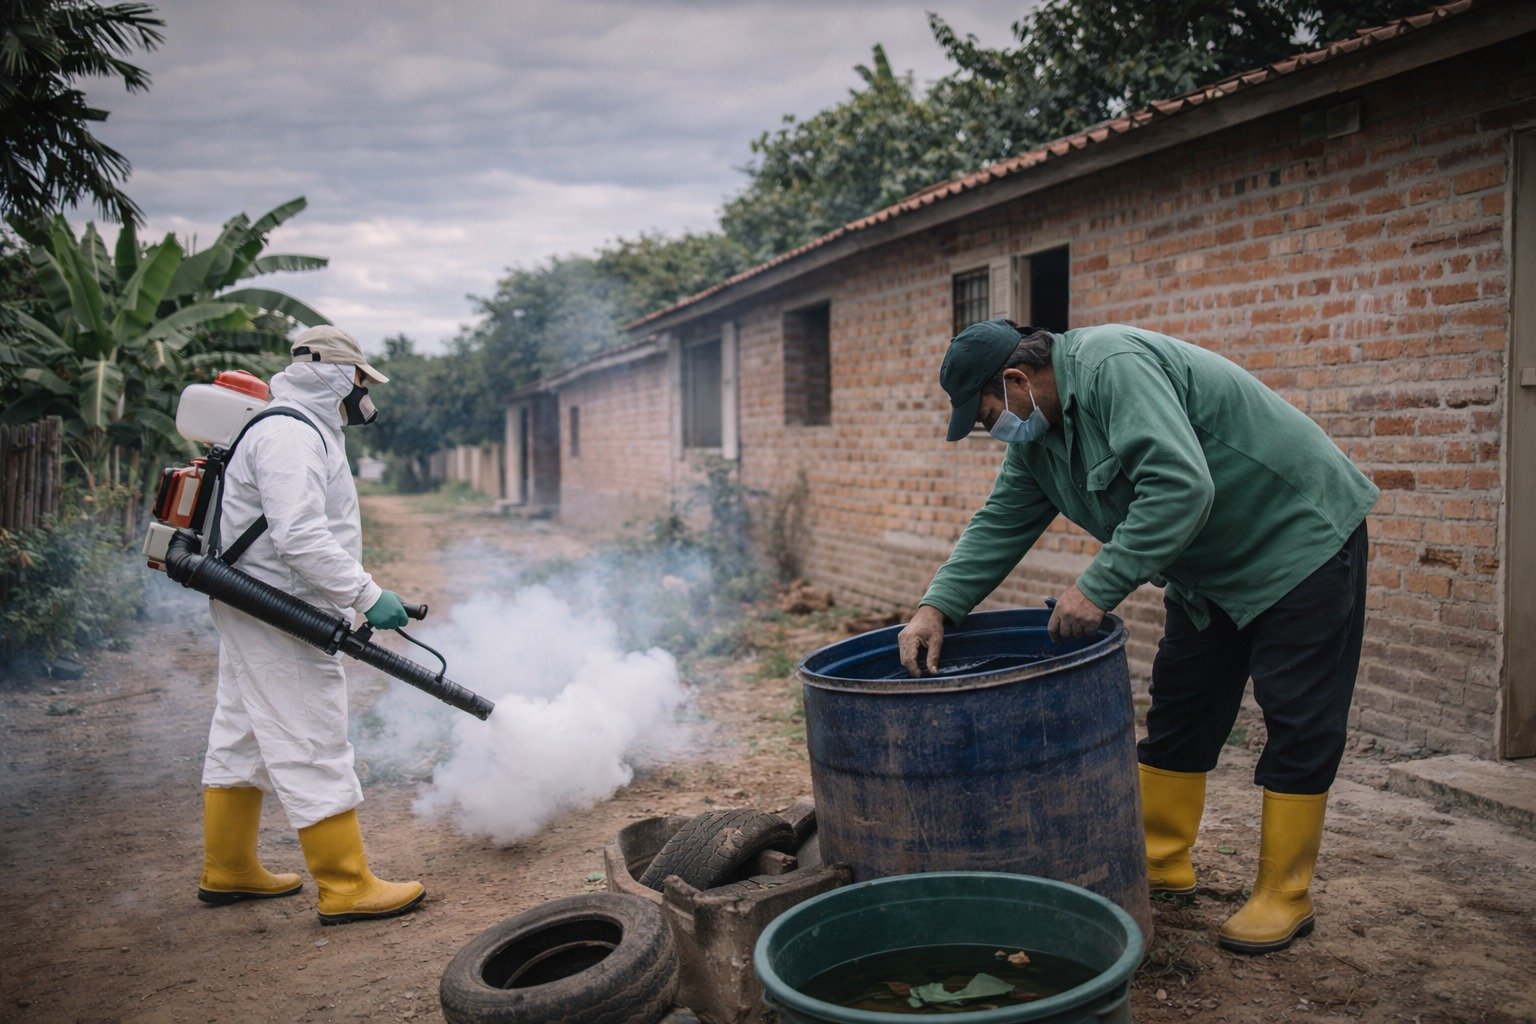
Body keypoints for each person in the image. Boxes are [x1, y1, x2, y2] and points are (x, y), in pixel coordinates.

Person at [898, 319, 1378, 954]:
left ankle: (1284, 893)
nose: (995, 432)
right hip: (1209, 571)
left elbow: (1181, 486)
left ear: (1015, 380)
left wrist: (1098, 585)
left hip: (1299, 541)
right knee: (1182, 704)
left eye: (989, 417)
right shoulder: (1040, 438)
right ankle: (1162, 862)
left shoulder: (1112, 367)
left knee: (1297, 713)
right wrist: (938, 606)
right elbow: (1000, 522)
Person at [196, 325, 425, 925]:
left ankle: (229, 867)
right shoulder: (290, 435)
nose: (362, 393)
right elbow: (298, 535)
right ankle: (346, 885)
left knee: (241, 728)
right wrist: (366, 594)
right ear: (337, 375)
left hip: (258, 601)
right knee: (312, 735)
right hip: (280, 607)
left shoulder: (291, 427)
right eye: (359, 379)